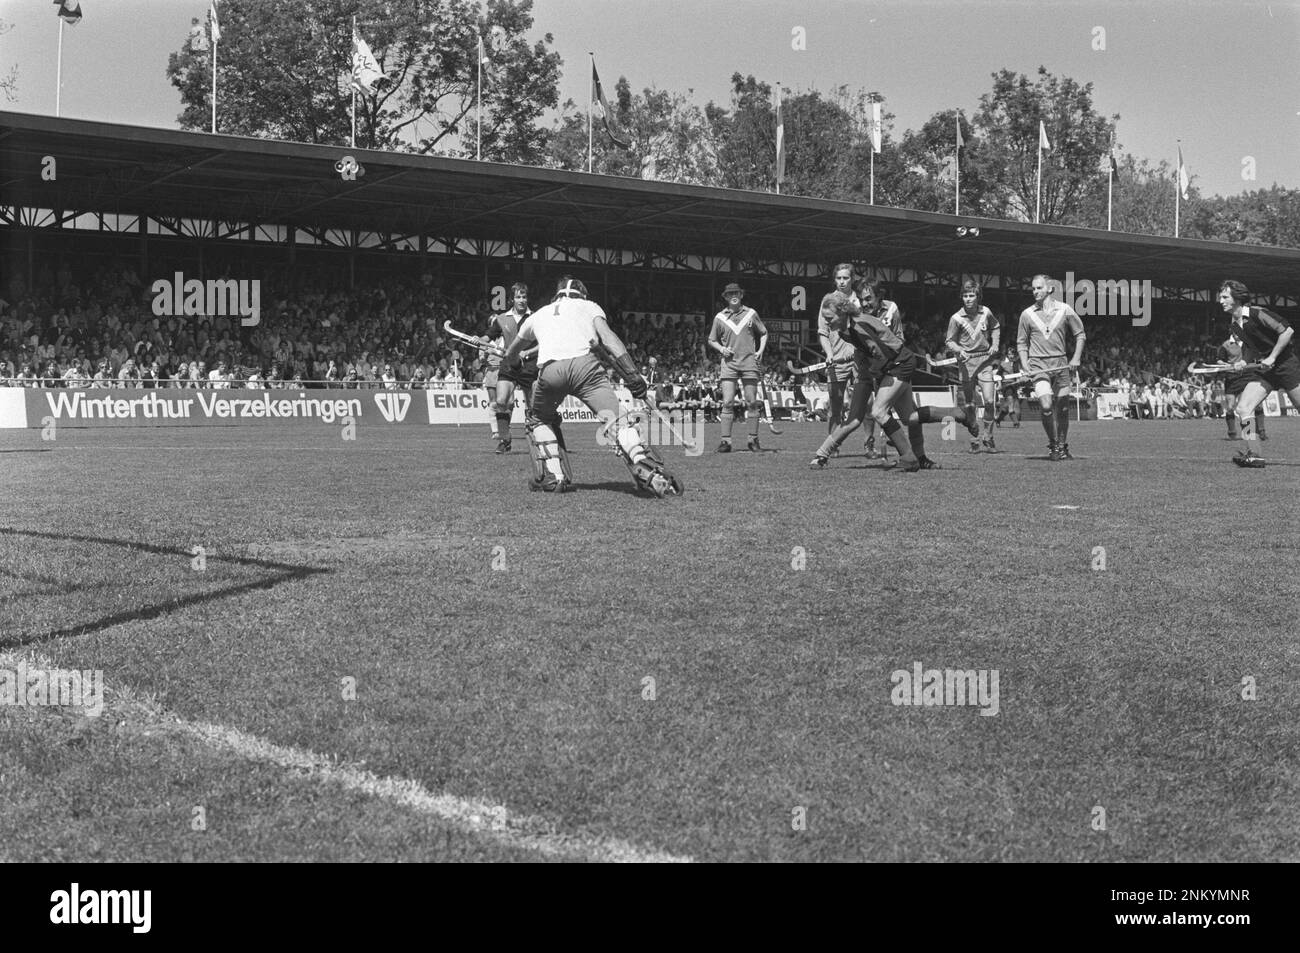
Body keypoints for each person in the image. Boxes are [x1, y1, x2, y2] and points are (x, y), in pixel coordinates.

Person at [499, 276, 683, 497]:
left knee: (539, 419)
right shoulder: (589, 306)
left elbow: (511, 353)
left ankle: (554, 476)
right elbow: (608, 337)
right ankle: (642, 462)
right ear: (581, 294)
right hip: (586, 369)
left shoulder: (539, 314)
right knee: (617, 420)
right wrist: (632, 373)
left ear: (557, 295)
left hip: (550, 371)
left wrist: (514, 359)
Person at [809, 280, 934, 472]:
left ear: (879, 297)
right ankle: (822, 454)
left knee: (910, 417)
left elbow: (898, 339)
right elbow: (858, 344)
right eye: (861, 299)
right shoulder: (852, 315)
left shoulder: (891, 309)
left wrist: (885, 360)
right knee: (854, 419)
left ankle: (919, 457)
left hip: (892, 368)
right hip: (865, 373)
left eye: (869, 299)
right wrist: (852, 355)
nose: (865, 303)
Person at [1215, 280, 1299, 468]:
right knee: (1243, 408)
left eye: (1225, 297)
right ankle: (1255, 455)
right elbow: (1251, 349)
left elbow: (1287, 331)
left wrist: (1272, 357)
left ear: (1237, 298)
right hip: (1265, 370)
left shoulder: (1257, 313)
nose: (1220, 300)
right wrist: (1242, 363)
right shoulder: (1234, 325)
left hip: (1285, 365)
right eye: (1221, 297)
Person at [1016, 274, 1086, 461]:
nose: (1035, 292)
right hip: (1038, 364)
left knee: (1062, 408)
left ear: (1050, 289)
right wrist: (1025, 365)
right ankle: (1053, 444)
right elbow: (1021, 343)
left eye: (1039, 288)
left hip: (1061, 365)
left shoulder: (1065, 310)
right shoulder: (1027, 314)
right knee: (1046, 406)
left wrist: (1076, 358)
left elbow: (1080, 334)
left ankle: (1062, 445)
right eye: (1033, 289)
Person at [708, 282, 768, 452]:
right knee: (727, 402)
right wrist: (721, 349)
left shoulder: (751, 314)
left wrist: (760, 351)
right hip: (729, 365)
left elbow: (763, 333)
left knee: (751, 402)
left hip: (749, 363)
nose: (733, 295)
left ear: (741, 295)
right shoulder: (719, 317)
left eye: (736, 292)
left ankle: (753, 440)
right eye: (729, 294)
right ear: (725, 297)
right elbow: (711, 340)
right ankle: (725, 442)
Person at [945, 280, 1000, 452]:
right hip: (966, 364)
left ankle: (988, 437)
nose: (968, 299)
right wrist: (959, 350)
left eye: (972, 295)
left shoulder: (986, 312)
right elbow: (949, 341)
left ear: (978, 296)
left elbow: (996, 327)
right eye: (965, 296)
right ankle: (975, 437)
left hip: (985, 362)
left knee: (990, 401)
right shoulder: (956, 318)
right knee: (969, 405)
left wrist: (995, 344)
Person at [485, 282, 537, 454]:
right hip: (508, 363)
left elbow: (544, 343)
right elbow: (488, 336)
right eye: (518, 297)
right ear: (512, 299)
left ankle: (536, 439)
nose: (522, 300)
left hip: (529, 365)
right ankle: (504, 440)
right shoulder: (501, 319)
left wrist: (527, 352)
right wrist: (478, 339)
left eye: (524, 297)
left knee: (532, 406)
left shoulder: (535, 318)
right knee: (501, 401)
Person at [818, 265, 859, 448]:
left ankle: (869, 445)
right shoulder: (827, 300)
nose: (842, 282)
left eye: (846, 278)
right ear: (835, 280)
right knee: (836, 407)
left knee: (866, 404)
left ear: (852, 279)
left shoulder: (860, 301)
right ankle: (832, 446)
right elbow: (822, 332)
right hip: (837, 360)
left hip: (859, 359)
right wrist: (828, 354)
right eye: (839, 278)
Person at [1217, 330, 1267, 444]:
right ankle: (1232, 433)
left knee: (1256, 405)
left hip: (1248, 375)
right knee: (1230, 407)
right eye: (1235, 333)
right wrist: (1225, 364)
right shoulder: (1226, 345)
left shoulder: (1249, 343)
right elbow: (1219, 359)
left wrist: (1262, 362)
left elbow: (1258, 356)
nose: (1237, 335)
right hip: (1232, 377)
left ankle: (1261, 431)